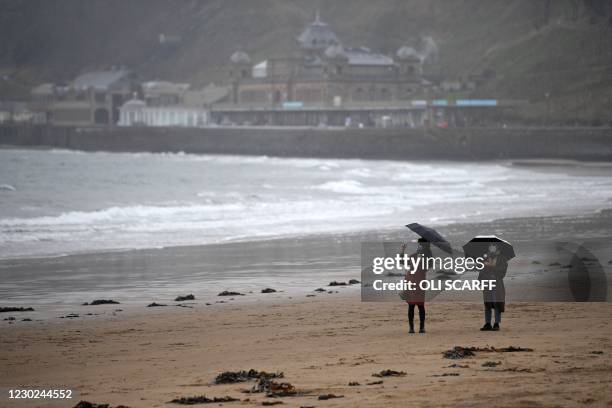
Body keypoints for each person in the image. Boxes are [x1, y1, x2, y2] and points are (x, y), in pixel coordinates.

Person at [401, 238, 431, 334]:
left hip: (416, 283)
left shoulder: (426, 258)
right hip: (414, 283)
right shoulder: (421, 257)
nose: (418, 247)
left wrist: (403, 250)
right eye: (419, 245)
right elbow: (402, 262)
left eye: (420, 245)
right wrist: (402, 250)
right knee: (416, 306)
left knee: (415, 306)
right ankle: (416, 328)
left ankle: (415, 328)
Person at [478, 244, 507, 331]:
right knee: (487, 304)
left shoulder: (502, 259)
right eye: (491, 246)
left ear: (498, 248)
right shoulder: (486, 257)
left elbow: (502, 272)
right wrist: (479, 281)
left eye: (494, 246)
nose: (492, 248)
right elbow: (482, 271)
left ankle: (496, 323)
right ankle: (487, 323)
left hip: (497, 284)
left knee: (496, 303)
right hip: (487, 283)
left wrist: (492, 266)